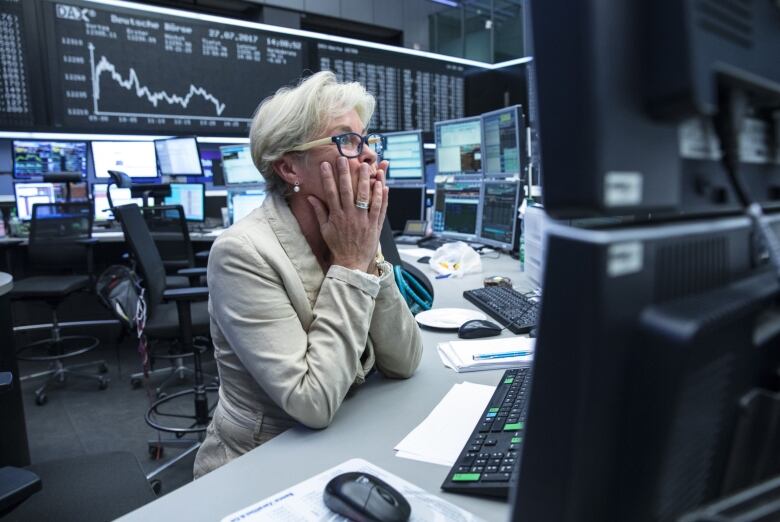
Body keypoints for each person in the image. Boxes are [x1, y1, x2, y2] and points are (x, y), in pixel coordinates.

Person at [193, 71, 424, 478]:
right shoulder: (242, 253)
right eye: (347, 141)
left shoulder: (354, 229)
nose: (369, 156)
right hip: (260, 466)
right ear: (289, 169)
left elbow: (405, 361)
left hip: (344, 444)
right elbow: (311, 402)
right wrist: (353, 264)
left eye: (368, 140)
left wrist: (367, 257)